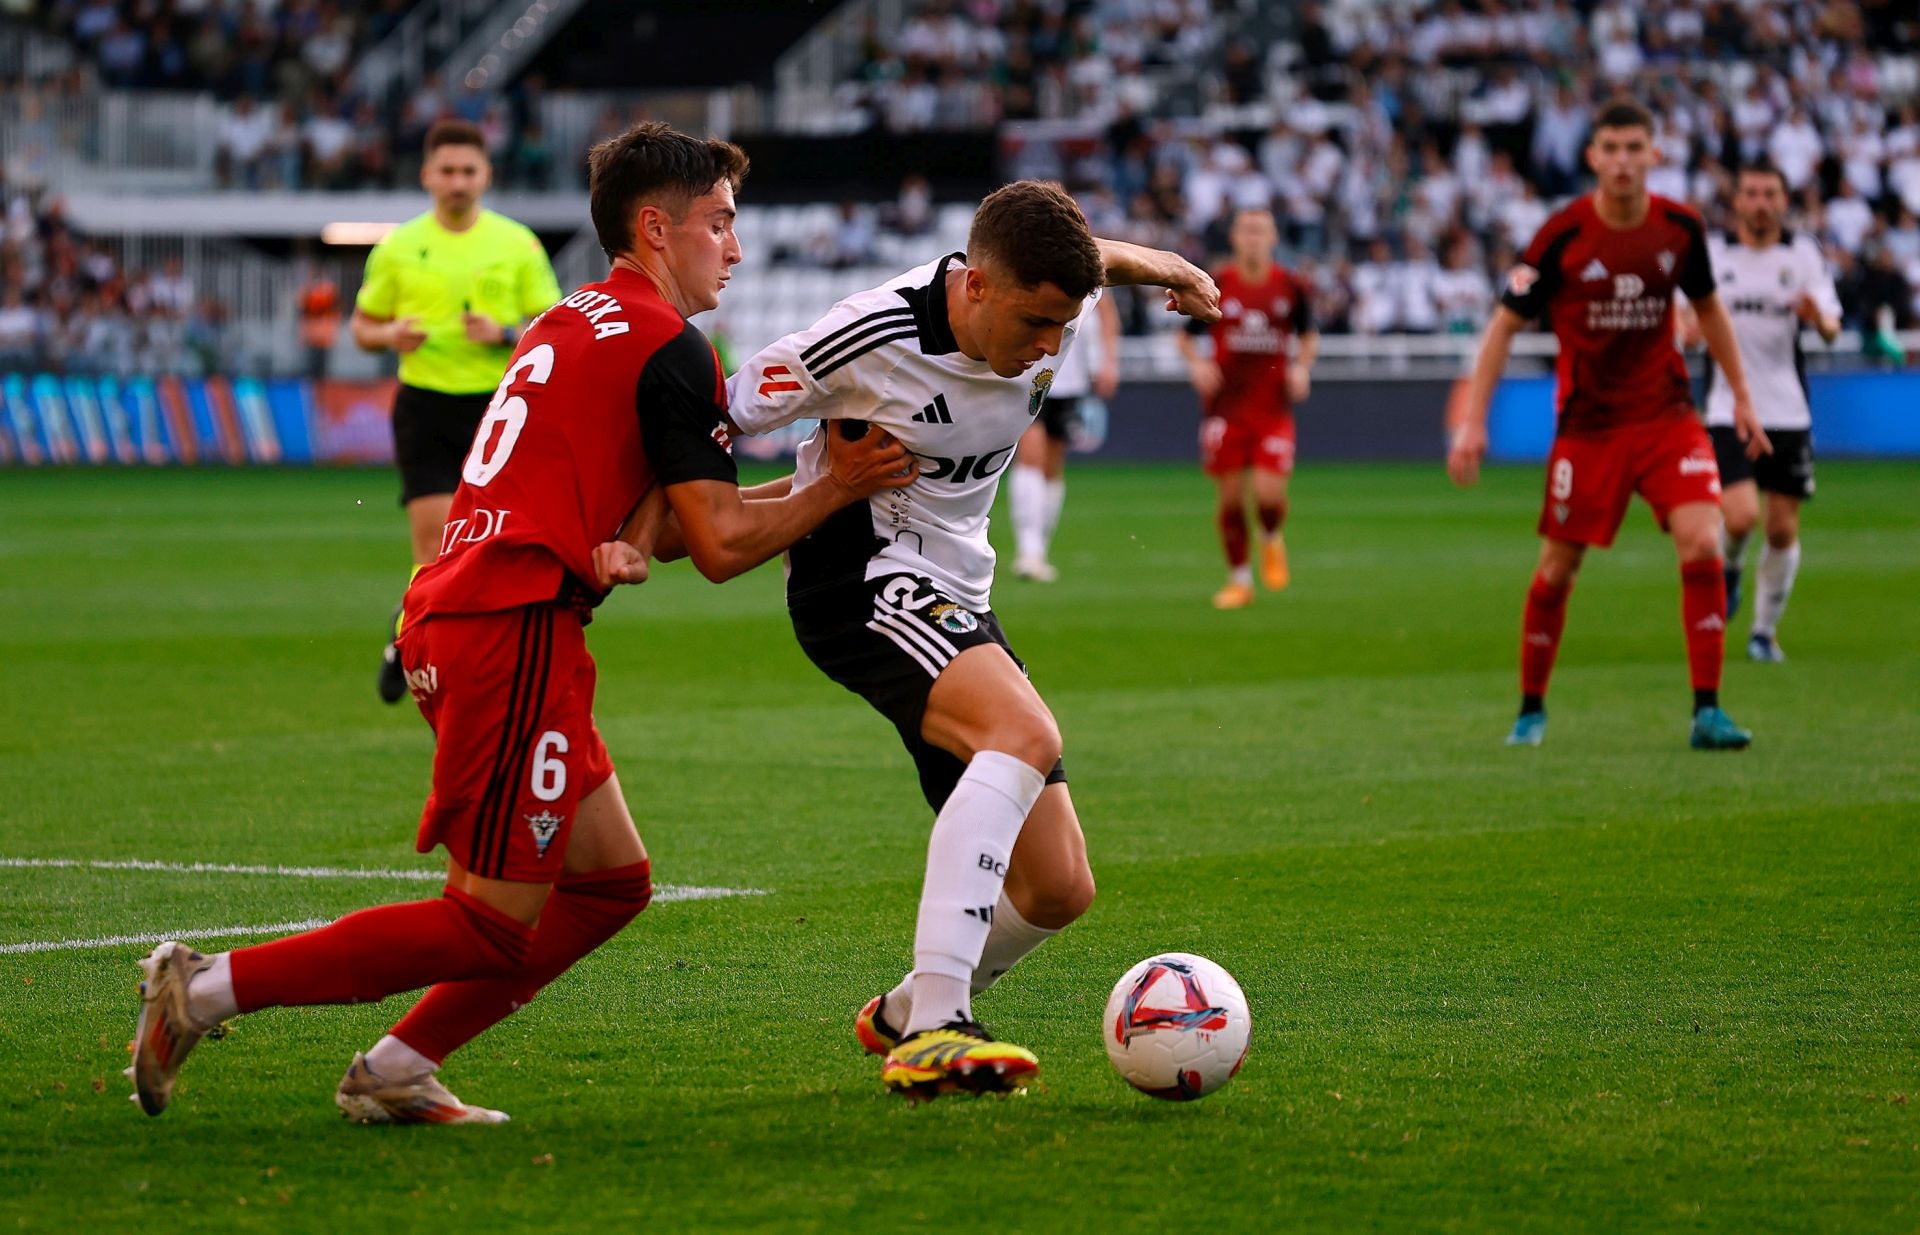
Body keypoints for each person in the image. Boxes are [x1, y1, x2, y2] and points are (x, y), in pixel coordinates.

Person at [127, 122, 915, 1125]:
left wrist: (778, 489)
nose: (736, 246)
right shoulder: (673, 347)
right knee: (489, 923)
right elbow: (715, 550)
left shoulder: (576, 316)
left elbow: (674, 530)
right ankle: (197, 990)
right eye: (720, 222)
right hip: (510, 629)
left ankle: (396, 1067)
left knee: (611, 883)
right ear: (654, 227)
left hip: (480, 611)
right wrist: (837, 486)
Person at [726, 180, 1219, 1099]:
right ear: (977, 286)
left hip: (957, 592)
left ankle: (907, 1003)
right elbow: (719, 412)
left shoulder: (1045, 292)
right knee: (1024, 736)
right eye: (1036, 323)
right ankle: (939, 1028)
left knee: (1060, 887)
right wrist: (631, 525)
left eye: (1062, 328)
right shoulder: (865, 337)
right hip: (860, 580)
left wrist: (1169, 269)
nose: (1047, 346)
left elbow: (1096, 260)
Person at [1447, 98, 1770, 751]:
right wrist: (1474, 422)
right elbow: (1504, 324)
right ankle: (1530, 707)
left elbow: (1709, 312)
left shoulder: (1680, 227)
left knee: (1703, 541)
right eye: (1611, 149)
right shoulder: (1561, 234)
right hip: (1588, 428)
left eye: (1634, 148)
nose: (1623, 162)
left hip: (1666, 416)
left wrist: (1741, 396)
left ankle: (1707, 709)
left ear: (1654, 154)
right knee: (1558, 568)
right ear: (1593, 156)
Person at [350, 118, 563, 705]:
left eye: (468, 171)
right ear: (427, 176)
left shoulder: (516, 244)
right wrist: (391, 332)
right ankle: (427, 660)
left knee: (498, 550)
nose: (457, 181)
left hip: (500, 415)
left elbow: (550, 332)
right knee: (437, 551)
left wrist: (503, 333)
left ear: (486, 175)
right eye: (446, 171)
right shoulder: (398, 246)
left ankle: (424, 647)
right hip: (424, 408)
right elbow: (361, 327)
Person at [1698, 160, 1840, 662]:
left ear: (1783, 201)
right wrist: (1688, 329)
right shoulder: (1714, 253)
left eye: (1770, 194)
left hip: (1787, 409)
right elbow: (1686, 319)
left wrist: (1818, 318)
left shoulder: (1802, 255)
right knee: (1739, 517)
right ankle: (1731, 569)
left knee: (1781, 528)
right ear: (1737, 201)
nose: (1760, 203)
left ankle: (1763, 632)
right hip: (1727, 406)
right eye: (1752, 193)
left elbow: (1830, 324)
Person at [1175, 206, 1318, 609]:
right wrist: (1198, 364)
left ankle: (1271, 536)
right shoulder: (1219, 283)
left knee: (1269, 498)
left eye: (1261, 231)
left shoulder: (1291, 286)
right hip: (1226, 408)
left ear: (1273, 238)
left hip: (1272, 408)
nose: (1254, 237)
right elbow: (1185, 336)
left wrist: (1302, 369)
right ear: (1235, 238)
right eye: (1246, 230)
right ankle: (1239, 579)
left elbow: (1308, 335)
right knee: (1233, 499)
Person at [1007, 287, 1119, 582]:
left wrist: (1108, 360)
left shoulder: (1089, 269)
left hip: (1072, 380)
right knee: (1030, 455)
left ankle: (1039, 549)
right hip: (1031, 377)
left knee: (1053, 465)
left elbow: (1107, 313)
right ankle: (1028, 550)